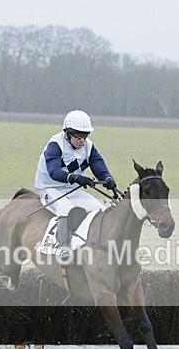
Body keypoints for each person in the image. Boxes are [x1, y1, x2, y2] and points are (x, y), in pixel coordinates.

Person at [33, 110, 117, 258]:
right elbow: (54, 172)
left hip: (72, 190)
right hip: (50, 189)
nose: (82, 141)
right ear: (67, 133)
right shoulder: (55, 145)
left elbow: (98, 165)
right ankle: (63, 249)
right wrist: (76, 178)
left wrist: (108, 178)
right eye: (78, 137)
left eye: (85, 136)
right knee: (66, 209)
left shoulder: (88, 146)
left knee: (101, 211)